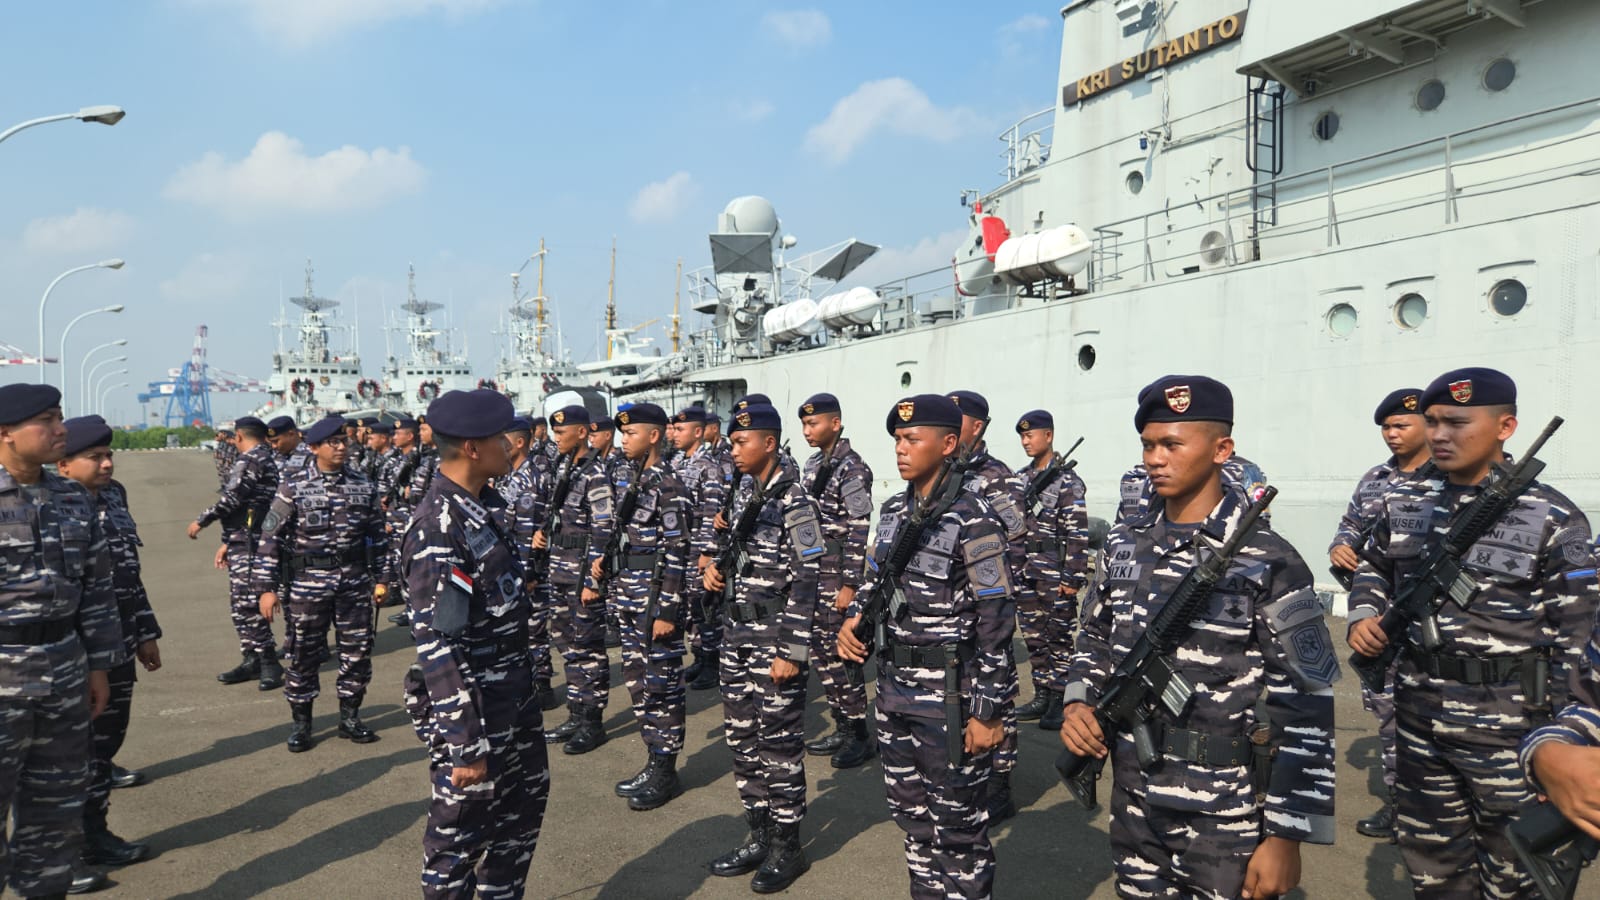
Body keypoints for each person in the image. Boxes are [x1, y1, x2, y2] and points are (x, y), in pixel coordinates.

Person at [1061, 375, 1337, 899]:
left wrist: (1287, 835)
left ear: (1221, 449)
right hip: (1135, 791)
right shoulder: (1124, 542)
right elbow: (1094, 637)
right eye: (1148, 444)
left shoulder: (1270, 558)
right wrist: (1078, 704)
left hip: (1224, 806)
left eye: (1171, 444)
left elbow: (1308, 698)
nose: (1155, 459)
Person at [1347, 367, 1597, 898]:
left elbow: (1579, 640)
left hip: (1511, 729)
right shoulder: (1406, 500)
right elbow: (1370, 563)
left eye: (1457, 423)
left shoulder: (1552, 516)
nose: (1439, 435)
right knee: (1433, 871)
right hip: (1419, 722)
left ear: (1505, 427)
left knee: (1517, 878)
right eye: (1433, 421)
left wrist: (1568, 737)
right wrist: (1365, 613)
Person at [838, 393, 1016, 900]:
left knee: (958, 831)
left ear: (949, 443)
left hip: (950, 700)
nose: (901, 448)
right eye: (897, 438)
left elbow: (996, 620)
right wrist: (854, 621)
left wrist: (988, 710)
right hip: (895, 692)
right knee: (912, 822)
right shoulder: (895, 510)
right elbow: (877, 577)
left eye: (913, 439)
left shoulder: (974, 516)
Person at [402, 389, 548, 900]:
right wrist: (465, 743)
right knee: (457, 843)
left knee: (518, 822)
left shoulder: (484, 504)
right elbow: (439, 642)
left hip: (513, 696)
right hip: (477, 713)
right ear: (471, 447)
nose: (512, 443)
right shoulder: (439, 526)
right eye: (500, 436)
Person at [0, 383, 124, 897]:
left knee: (56, 810)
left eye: (60, 418)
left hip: (64, 672)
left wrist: (99, 667)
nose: (60, 430)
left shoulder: (72, 497)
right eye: (47, 420)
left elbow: (96, 589)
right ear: (5, 433)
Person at [701, 402, 823, 893]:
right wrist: (712, 570)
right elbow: (735, 557)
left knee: (779, 747)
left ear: (769, 443)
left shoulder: (796, 502)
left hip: (774, 640)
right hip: (736, 638)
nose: (732, 450)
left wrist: (791, 651)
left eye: (740, 442)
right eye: (730, 442)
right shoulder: (742, 496)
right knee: (742, 741)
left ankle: (787, 847)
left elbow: (809, 582)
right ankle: (758, 833)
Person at [56, 415, 162, 877]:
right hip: (65, 650)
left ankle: (94, 833)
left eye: (108, 455)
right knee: (67, 757)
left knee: (104, 745)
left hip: (116, 639)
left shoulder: (115, 496)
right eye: (94, 457)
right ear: (62, 465)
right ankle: (65, 849)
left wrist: (145, 631)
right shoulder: (51, 503)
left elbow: (126, 571)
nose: (106, 463)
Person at [1328, 387, 1428, 842]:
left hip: (1429, 621)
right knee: (1389, 713)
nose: (1391, 434)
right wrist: (1340, 545)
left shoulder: (1448, 478)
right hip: (1378, 618)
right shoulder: (1375, 478)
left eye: (1401, 425)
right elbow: (1350, 525)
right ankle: (1402, 806)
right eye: (1387, 427)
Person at [253, 416, 387, 752]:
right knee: (303, 655)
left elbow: (378, 536)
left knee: (357, 653)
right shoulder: (293, 485)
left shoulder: (363, 482)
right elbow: (269, 538)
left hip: (354, 583)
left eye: (344, 440)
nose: (342, 447)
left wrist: (384, 579)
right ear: (314, 447)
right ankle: (302, 725)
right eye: (334, 442)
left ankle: (350, 718)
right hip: (308, 584)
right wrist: (266, 589)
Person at [599, 403, 694, 810]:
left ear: (653, 436)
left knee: (662, 684)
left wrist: (668, 611)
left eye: (631, 433)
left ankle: (666, 768)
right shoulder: (633, 479)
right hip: (629, 594)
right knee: (638, 682)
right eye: (622, 434)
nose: (624, 440)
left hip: (655, 601)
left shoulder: (669, 486)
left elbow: (678, 550)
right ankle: (653, 755)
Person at [947, 390, 1026, 823]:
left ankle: (1000, 783)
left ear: (976, 426)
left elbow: (1016, 538)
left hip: (989, 595)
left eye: (954, 418)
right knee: (961, 686)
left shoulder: (998, 478)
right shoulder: (943, 472)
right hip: (951, 602)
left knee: (996, 684)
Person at [794, 393, 875, 769]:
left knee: (841, 655)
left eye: (814, 423)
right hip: (813, 571)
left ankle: (859, 733)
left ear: (836, 423)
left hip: (837, 572)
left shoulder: (852, 469)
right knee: (822, 656)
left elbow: (859, 528)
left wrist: (850, 584)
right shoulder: (811, 464)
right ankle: (843, 724)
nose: (808, 430)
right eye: (805, 425)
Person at [533, 405, 615, 755]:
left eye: (562, 432)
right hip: (559, 569)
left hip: (581, 572)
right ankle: (575, 712)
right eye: (553, 432)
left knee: (588, 648)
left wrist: (592, 582)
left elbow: (604, 528)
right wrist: (543, 535)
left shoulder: (595, 474)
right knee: (567, 645)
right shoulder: (564, 468)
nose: (556, 438)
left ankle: (591, 722)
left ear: (582, 433)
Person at [188, 415, 284, 690]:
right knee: (240, 603)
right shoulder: (266, 457)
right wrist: (229, 540)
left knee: (247, 602)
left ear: (239, 437)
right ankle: (251, 657)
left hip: (253, 540)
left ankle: (267, 660)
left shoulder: (251, 459)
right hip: (246, 536)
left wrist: (201, 521)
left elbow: (232, 499)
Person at [1010, 410, 1088, 734]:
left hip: (1055, 573)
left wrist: (1072, 577)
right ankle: (1042, 692)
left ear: (1049, 436)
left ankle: (1060, 699)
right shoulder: (1019, 479)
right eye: (1023, 436)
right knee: (1033, 637)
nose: (1026, 441)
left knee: (1058, 638)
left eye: (1032, 435)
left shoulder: (1067, 482)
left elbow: (1078, 533)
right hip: (1026, 571)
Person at [675, 405, 727, 692]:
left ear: (697, 432)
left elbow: (712, 512)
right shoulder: (679, 464)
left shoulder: (709, 467)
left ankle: (713, 660)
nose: (675, 434)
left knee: (706, 606)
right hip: (683, 548)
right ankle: (700, 656)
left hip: (699, 549)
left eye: (681, 429)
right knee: (692, 609)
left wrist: (708, 551)